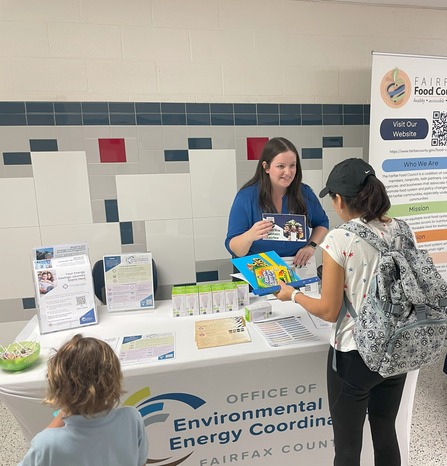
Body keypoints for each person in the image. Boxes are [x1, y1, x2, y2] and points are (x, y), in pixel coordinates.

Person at [275, 158, 407, 466]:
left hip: (354, 356)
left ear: (339, 200)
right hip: (398, 347)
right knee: (386, 430)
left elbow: (329, 310)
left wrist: (292, 294)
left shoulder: (339, 239)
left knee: (347, 449)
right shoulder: (400, 229)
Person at [18, 334, 148, 466]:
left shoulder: (47, 444)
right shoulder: (131, 418)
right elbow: (141, 462)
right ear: (114, 380)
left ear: (57, 389)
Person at [225, 137, 329, 266]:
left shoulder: (305, 193)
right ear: (266, 167)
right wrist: (249, 236)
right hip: (256, 272)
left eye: (292, 165)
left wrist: (311, 246)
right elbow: (234, 248)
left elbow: (322, 222)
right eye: (281, 166)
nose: (288, 172)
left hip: (294, 268)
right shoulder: (246, 197)